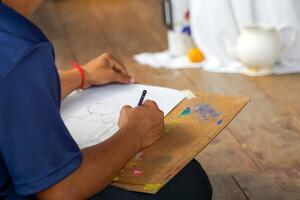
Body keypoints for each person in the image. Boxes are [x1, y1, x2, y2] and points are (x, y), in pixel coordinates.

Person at [0, 0, 212, 199]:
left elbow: (11, 88)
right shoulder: (20, 47)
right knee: (187, 182)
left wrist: (80, 76)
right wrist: (135, 133)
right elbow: (61, 190)